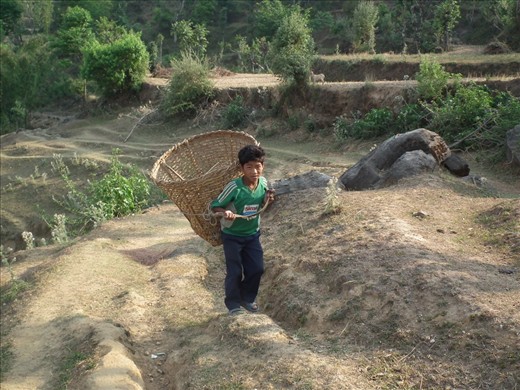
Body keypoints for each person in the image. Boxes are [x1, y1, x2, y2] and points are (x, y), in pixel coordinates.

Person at [211, 144, 275, 316]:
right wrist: (225, 212)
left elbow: (261, 204)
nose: (254, 171)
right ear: (242, 168)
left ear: (263, 166)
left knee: (257, 268)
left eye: (257, 166)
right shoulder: (234, 187)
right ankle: (233, 304)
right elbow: (215, 205)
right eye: (249, 167)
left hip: (252, 234)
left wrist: (268, 199)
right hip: (232, 236)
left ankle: (247, 299)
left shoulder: (263, 183)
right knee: (235, 271)